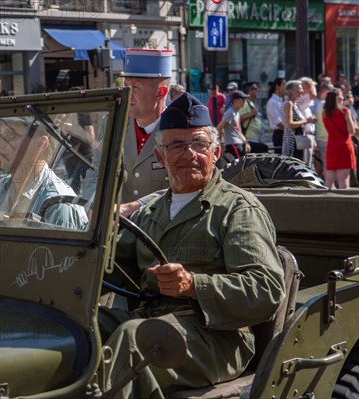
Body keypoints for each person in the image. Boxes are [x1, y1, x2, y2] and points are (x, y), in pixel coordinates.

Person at [100, 92, 285, 397]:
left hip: (217, 338)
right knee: (82, 326)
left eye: (199, 144)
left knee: (135, 341)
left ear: (216, 152)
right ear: (160, 157)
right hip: (154, 320)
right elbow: (115, 270)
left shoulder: (236, 209)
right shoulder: (151, 211)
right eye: (177, 145)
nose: (189, 154)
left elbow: (266, 290)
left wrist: (193, 285)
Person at [84, 48, 173, 217]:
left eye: (136, 87)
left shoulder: (179, 130)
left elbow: (187, 187)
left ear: (160, 92)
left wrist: (136, 206)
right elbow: (97, 171)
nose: (127, 94)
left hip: (161, 232)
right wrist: (92, 205)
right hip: (117, 232)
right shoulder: (114, 123)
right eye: (126, 86)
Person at [0, 116, 88, 230]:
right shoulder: (5, 186)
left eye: (11, 135)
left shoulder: (58, 203)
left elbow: (56, 255)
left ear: (40, 144)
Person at [322, 89, 357, 189]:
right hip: (344, 146)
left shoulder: (325, 113)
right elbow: (352, 131)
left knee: (329, 181)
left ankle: (328, 202)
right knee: (343, 181)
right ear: (337, 98)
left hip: (331, 146)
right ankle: (345, 203)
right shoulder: (345, 111)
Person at [282, 80, 317, 159]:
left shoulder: (294, 104)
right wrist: (307, 121)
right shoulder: (289, 104)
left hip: (297, 141)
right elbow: (289, 124)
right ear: (291, 92)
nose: (302, 91)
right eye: (299, 90)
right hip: (292, 142)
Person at [217, 91, 251, 159]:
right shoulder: (230, 112)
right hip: (232, 143)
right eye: (242, 99)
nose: (245, 102)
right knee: (241, 165)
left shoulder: (237, 113)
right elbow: (219, 127)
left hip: (238, 142)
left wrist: (246, 143)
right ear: (235, 101)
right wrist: (220, 146)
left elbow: (239, 131)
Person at [239, 82, 268, 153]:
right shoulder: (244, 104)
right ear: (248, 91)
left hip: (255, 138)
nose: (256, 90)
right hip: (248, 139)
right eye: (254, 88)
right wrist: (252, 114)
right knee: (264, 149)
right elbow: (239, 119)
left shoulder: (251, 103)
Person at [314, 83, 334, 173]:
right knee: (327, 164)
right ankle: (328, 185)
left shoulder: (320, 103)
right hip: (324, 139)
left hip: (325, 138)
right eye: (331, 91)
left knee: (327, 163)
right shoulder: (322, 104)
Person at [298, 77, 318, 167]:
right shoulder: (302, 98)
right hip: (304, 134)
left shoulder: (303, 97)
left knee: (308, 163)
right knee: (305, 165)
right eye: (309, 85)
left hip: (309, 134)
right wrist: (312, 84)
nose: (310, 87)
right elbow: (314, 94)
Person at [266, 78, 286, 154]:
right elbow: (278, 122)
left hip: (284, 133)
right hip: (279, 134)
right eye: (283, 84)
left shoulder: (281, 100)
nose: (285, 87)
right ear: (277, 86)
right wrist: (288, 132)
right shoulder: (272, 102)